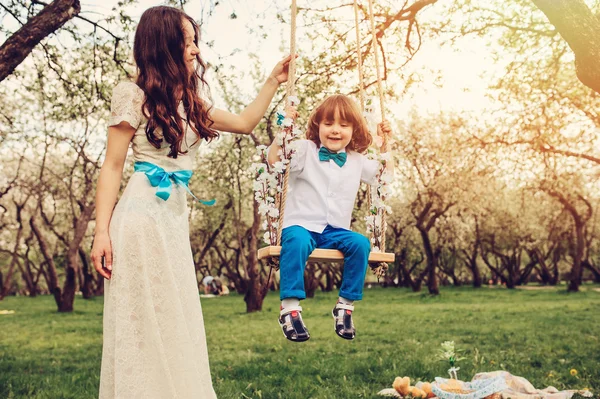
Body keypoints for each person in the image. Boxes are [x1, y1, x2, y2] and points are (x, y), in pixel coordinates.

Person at [90, 6, 293, 398]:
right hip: (137, 219)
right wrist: (101, 233)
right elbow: (113, 166)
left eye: (196, 41)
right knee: (140, 319)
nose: (196, 50)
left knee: (174, 315)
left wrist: (273, 80)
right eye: (188, 41)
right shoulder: (132, 95)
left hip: (171, 220)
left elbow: (246, 122)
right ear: (163, 44)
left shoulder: (191, 101)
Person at [267, 94, 392, 342]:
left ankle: (345, 307)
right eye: (328, 124)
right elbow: (274, 160)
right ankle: (290, 308)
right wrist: (283, 129)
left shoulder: (357, 160)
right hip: (300, 225)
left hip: (334, 231)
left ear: (354, 130)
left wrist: (385, 144)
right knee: (298, 242)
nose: (335, 130)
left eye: (344, 125)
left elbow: (384, 176)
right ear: (317, 126)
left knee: (360, 243)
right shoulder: (305, 150)